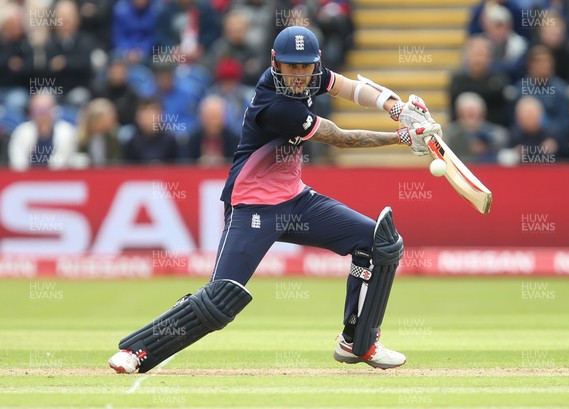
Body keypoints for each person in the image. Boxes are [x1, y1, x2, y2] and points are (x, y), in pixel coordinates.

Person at [108, 26, 443, 373]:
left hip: (296, 201)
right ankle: (138, 350)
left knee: (380, 242)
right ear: (275, 64)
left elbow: (353, 88)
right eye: (290, 67)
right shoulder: (277, 105)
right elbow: (342, 138)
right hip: (252, 206)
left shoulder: (311, 75)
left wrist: (395, 108)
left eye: (305, 67)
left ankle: (358, 341)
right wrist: (402, 136)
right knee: (222, 299)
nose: (299, 76)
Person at [8, 93, 77, 170]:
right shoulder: (21, 131)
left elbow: (62, 163)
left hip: (58, 179)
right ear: (31, 111)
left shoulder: (66, 131)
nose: (41, 113)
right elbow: (18, 163)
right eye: (37, 109)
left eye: (45, 109)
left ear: (54, 110)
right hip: (27, 179)